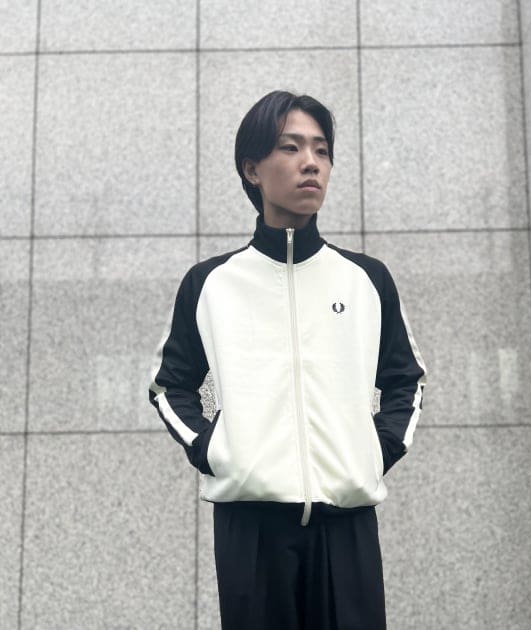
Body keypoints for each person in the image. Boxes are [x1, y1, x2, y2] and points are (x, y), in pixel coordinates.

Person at [149, 90, 426, 630]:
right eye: (291, 147)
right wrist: (214, 450)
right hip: (250, 527)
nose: (311, 163)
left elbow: (406, 380)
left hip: (346, 525)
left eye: (322, 150)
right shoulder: (212, 284)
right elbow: (167, 385)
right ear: (251, 169)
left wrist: (377, 449)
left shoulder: (366, 279)